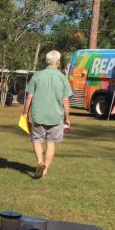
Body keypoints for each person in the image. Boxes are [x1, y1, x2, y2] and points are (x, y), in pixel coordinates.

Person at [23, 50, 72, 179]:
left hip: (38, 115)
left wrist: (25, 113)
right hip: (56, 116)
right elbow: (65, 101)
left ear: (47, 61)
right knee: (51, 143)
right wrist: (67, 118)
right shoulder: (62, 78)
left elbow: (29, 96)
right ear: (58, 62)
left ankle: (40, 162)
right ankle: (45, 170)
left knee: (36, 140)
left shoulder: (37, 76)